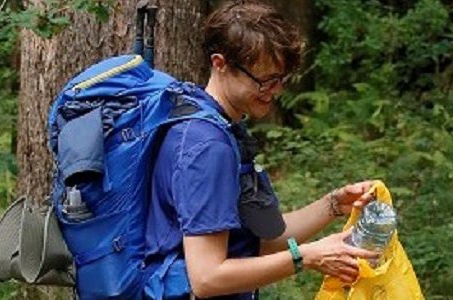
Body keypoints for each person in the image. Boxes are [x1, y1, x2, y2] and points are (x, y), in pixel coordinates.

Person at [144, 1, 378, 298]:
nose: (277, 90)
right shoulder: (206, 147)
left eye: (281, 79)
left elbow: (255, 243)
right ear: (220, 63)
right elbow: (206, 277)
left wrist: (332, 205)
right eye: (266, 80)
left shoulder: (217, 126)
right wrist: (305, 257)